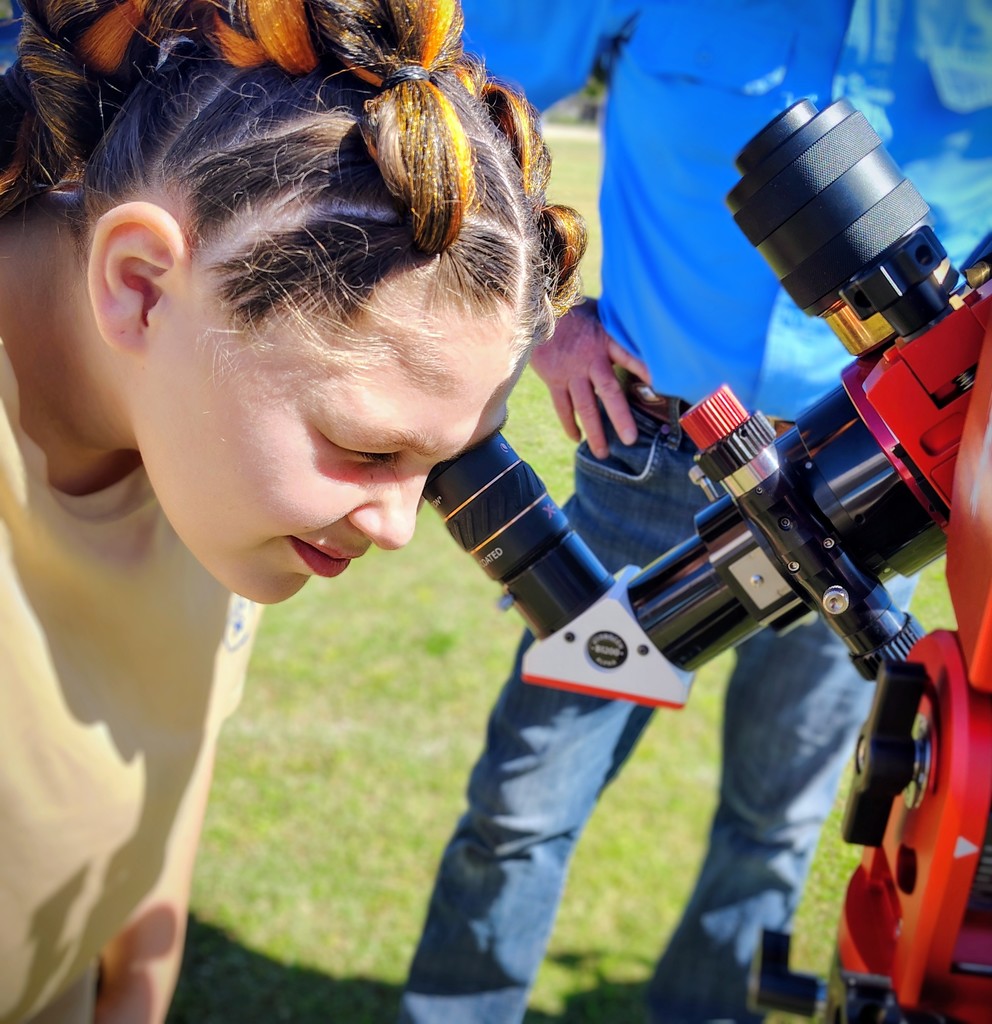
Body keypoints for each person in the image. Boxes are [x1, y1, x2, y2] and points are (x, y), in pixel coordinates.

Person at [399, 2, 992, 1022]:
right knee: (524, 800)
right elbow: (445, 97)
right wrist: (538, 312)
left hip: (889, 495)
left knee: (777, 827)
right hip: (648, 455)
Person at [0, 1, 586, 1021]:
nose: (396, 527)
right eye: (366, 449)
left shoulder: (209, 448)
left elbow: (168, 766)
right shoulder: (221, 438)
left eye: (437, 464)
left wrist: (135, 994)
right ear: (140, 288)